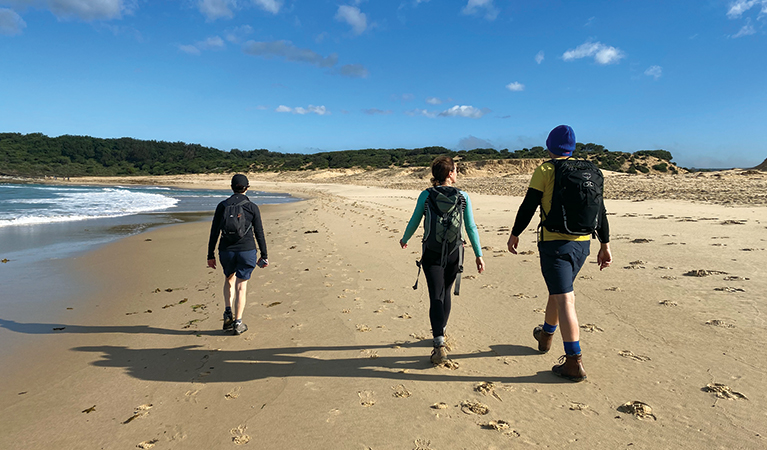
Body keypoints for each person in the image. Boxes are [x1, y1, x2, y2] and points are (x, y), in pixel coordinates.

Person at [507, 125, 612, 381]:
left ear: (549, 146)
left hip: (554, 243)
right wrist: (605, 245)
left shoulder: (546, 169)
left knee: (566, 299)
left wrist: (515, 233)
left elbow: (529, 205)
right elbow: (601, 210)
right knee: (558, 290)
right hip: (583, 244)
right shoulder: (591, 171)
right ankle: (545, 336)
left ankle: (574, 362)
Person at [400, 156, 486, 364]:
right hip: (455, 252)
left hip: (431, 251)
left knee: (434, 295)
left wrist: (405, 238)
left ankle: (438, 342)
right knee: (445, 292)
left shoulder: (426, 195)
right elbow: (471, 227)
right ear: (449, 174)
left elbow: (415, 220)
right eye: (455, 170)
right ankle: (442, 330)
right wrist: (478, 254)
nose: (457, 174)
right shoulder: (463, 196)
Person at [207, 174, 268, 335]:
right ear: (247, 188)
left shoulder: (222, 206)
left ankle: (228, 312)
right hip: (247, 250)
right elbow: (259, 232)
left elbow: (214, 232)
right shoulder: (252, 207)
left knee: (229, 279)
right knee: (242, 285)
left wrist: (210, 254)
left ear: (231, 187)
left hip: (226, 251)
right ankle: (238, 322)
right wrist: (264, 254)